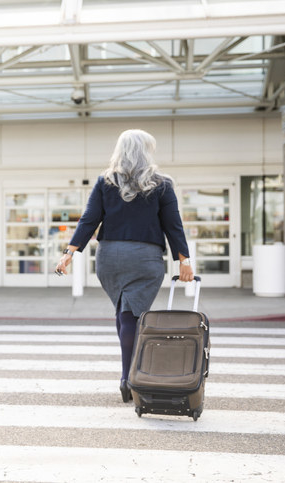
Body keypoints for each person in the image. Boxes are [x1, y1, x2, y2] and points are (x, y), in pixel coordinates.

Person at [55, 129, 194, 403]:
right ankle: (129, 378)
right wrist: (184, 261)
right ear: (146, 151)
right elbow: (173, 225)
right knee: (131, 315)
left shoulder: (105, 182)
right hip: (145, 257)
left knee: (123, 311)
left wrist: (69, 252)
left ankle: (126, 376)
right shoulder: (162, 184)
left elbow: (88, 220)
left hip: (110, 257)